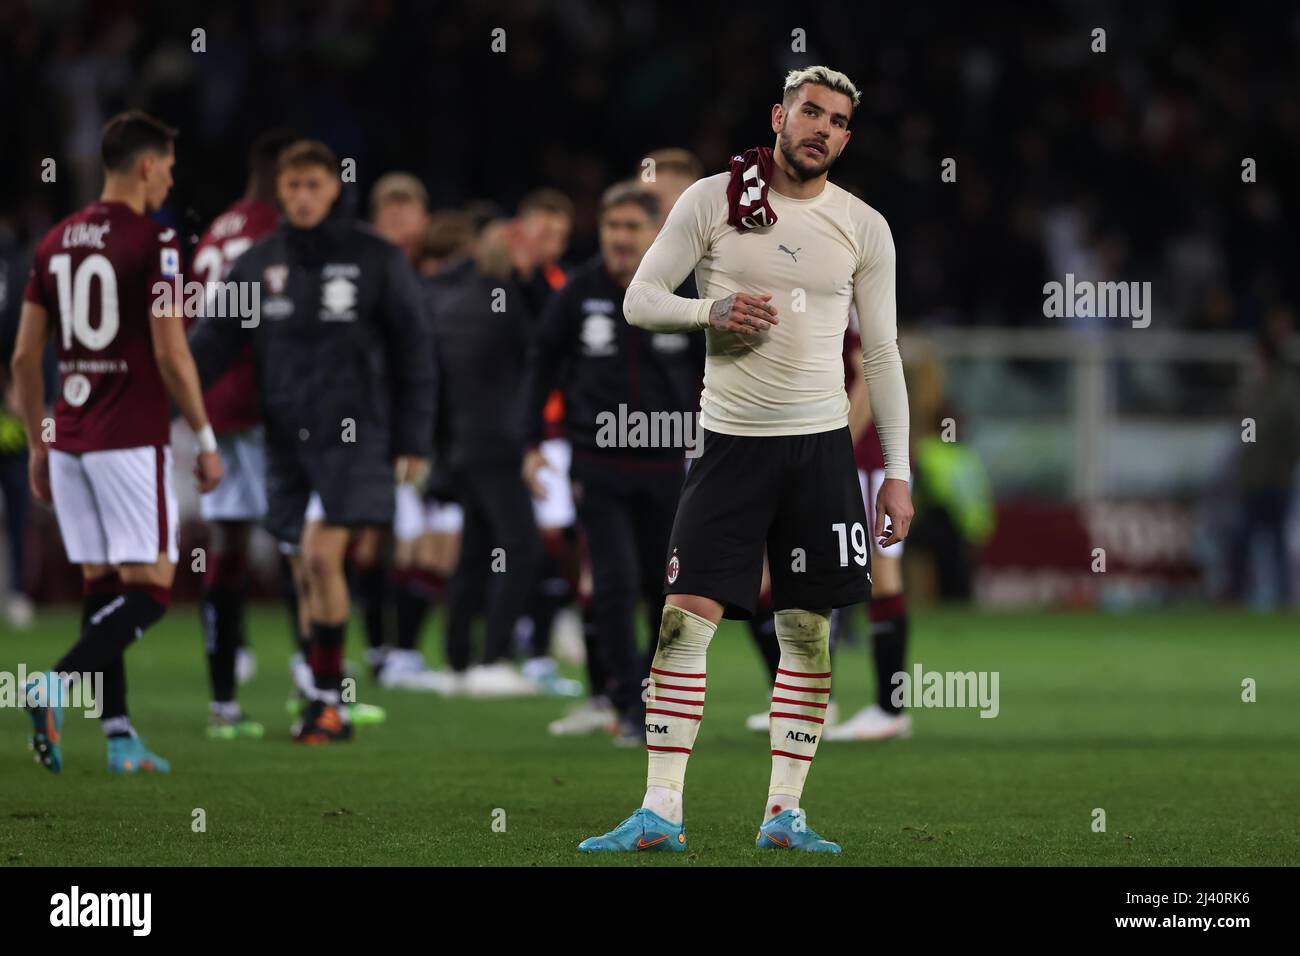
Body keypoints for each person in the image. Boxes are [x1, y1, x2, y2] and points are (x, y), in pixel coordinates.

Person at [579, 66, 912, 854]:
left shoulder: (864, 226)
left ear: (846, 137)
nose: (820, 128)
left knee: (806, 632)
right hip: (729, 446)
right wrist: (710, 311)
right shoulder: (709, 200)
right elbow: (640, 298)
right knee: (681, 624)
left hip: (823, 450)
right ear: (779, 116)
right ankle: (660, 809)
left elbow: (885, 354)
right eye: (808, 112)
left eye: (835, 120)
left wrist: (897, 469)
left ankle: (784, 814)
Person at [190, 140, 435, 742]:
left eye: (314, 185)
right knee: (301, 570)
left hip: (355, 435)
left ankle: (328, 700)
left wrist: (413, 437)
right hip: (284, 439)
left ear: (335, 188)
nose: (302, 197)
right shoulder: (258, 262)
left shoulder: (374, 258)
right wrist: (166, 387)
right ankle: (323, 698)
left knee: (323, 557)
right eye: (293, 185)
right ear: (279, 191)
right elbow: (215, 342)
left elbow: (414, 349)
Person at [12, 110, 223, 773]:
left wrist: (39, 443)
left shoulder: (54, 242)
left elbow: (23, 359)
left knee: (103, 588)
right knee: (154, 591)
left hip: (70, 440)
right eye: (167, 166)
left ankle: (120, 737)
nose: (170, 178)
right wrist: (206, 436)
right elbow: (171, 353)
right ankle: (53, 685)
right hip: (128, 437)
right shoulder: (157, 244)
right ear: (145, 166)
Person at [522, 181, 704, 742]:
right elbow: (540, 367)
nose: (621, 238)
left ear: (654, 233)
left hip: (669, 466)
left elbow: (714, 370)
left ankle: (659, 699)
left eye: (632, 228)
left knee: (664, 590)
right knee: (614, 586)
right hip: (597, 463)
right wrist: (529, 444)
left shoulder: (683, 291)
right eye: (612, 227)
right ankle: (627, 705)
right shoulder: (577, 294)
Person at [189, 129, 295, 739]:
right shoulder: (267, 234)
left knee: (227, 545)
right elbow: (262, 327)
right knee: (298, 542)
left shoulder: (220, 227)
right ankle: (315, 682)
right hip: (256, 402)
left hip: (211, 402)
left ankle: (224, 699)